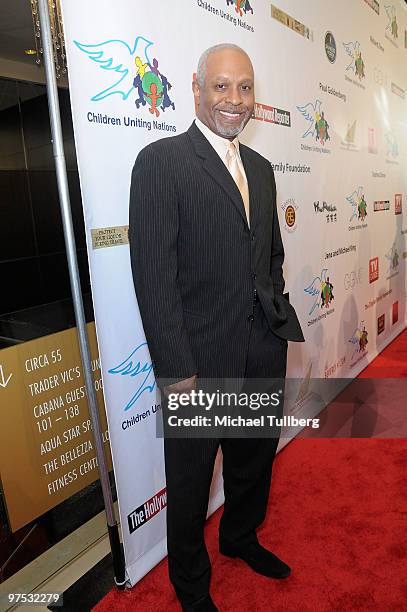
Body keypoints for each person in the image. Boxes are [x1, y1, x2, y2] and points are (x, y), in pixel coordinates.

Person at [129, 43, 304, 612]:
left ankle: (240, 537)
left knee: (254, 462)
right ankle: (191, 584)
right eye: (222, 86)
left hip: (261, 351)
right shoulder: (161, 162)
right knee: (190, 483)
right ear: (196, 87)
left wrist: (273, 319)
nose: (235, 100)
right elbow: (154, 281)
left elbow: (269, 255)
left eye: (245, 87)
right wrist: (177, 373)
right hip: (198, 367)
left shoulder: (261, 168)